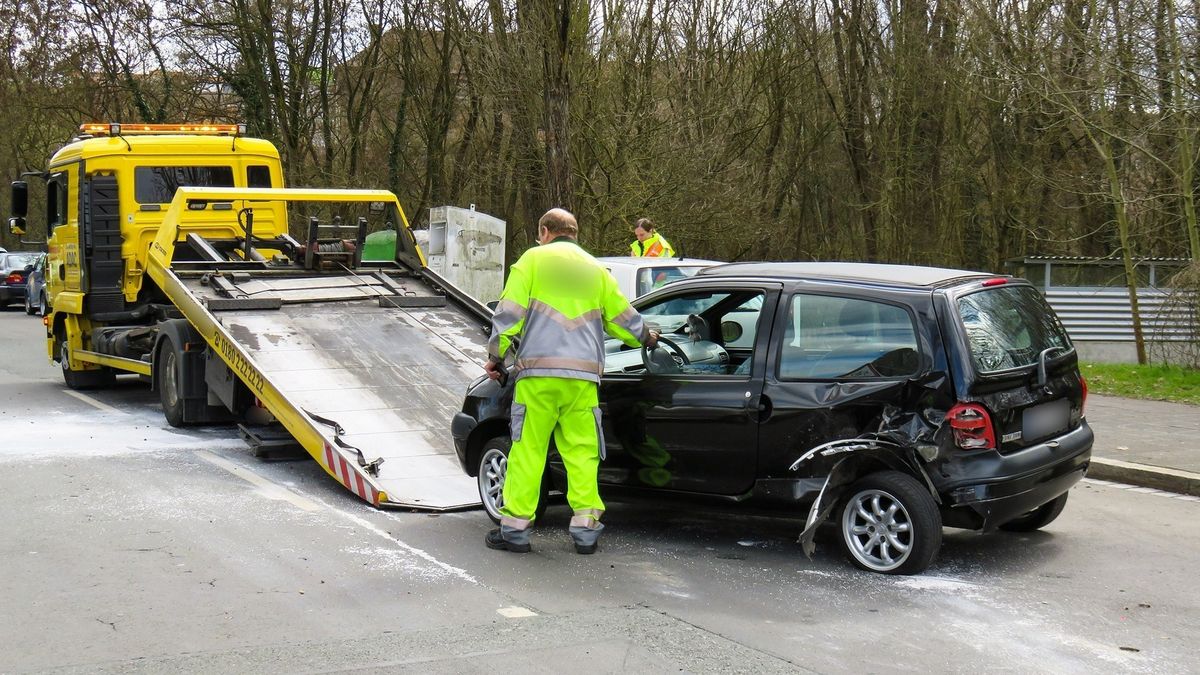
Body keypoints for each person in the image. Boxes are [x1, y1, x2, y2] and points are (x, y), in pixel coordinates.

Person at [484, 208, 656, 554]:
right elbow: (622, 317)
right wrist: (647, 336)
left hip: (538, 378)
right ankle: (585, 530)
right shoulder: (597, 270)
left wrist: (495, 355)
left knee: (529, 450)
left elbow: (509, 314)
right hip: (582, 380)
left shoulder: (532, 261)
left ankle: (516, 529)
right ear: (574, 233)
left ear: (545, 231)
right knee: (582, 453)